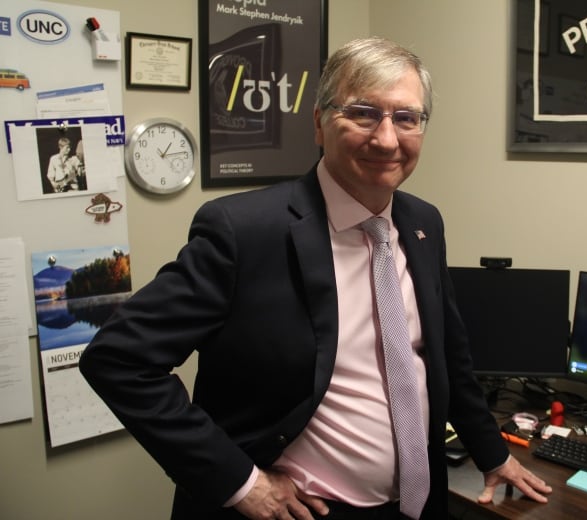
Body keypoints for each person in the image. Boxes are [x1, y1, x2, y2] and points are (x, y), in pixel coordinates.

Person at [79, 37, 552, 520]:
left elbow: (447, 354)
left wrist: (493, 453)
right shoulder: (244, 232)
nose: (387, 139)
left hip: (412, 506)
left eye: (406, 118)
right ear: (319, 124)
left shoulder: (422, 222)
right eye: (364, 113)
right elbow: (119, 359)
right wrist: (242, 484)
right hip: (299, 510)